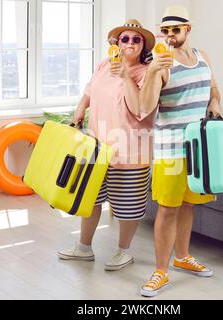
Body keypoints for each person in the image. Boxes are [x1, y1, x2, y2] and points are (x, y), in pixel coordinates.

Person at [58, 19, 156, 271]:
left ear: (143, 46)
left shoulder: (147, 72)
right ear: (117, 43)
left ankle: (124, 251)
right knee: (90, 198)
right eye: (125, 38)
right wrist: (80, 110)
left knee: (127, 206)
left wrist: (125, 76)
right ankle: (83, 248)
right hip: (96, 147)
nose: (131, 43)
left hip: (130, 149)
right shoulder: (103, 65)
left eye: (137, 40)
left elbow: (140, 110)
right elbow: (89, 92)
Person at [138, 5, 221, 297]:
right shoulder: (162, 65)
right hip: (170, 152)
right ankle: (161, 272)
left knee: (189, 205)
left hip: (197, 149)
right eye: (165, 31)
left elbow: (212, 86)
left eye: (175, 30)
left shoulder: (203, 57)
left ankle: (183, 257)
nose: (170, 36)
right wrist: (151, 72)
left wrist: (215, 103)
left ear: (188, 29)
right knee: (168, 209)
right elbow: (143, 109)